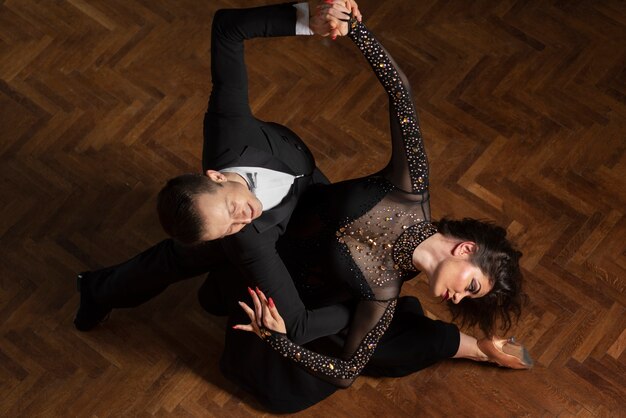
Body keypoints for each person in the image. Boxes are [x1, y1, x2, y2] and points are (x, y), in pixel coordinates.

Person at [231, 0, 533, 410]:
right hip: (280, 206)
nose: (460, 299)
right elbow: (400, 93)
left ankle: (475, 348)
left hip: (283, 282)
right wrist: (355, 27)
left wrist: (277, 340)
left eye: (469, 299)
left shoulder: (382, 293)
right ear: (465, 249)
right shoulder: (410, 189)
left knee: (287, 384)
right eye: (472, 287)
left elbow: (345, 372)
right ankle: (472, 347)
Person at [73, 1, 364, 352]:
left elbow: (227, 28)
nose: (245, 216)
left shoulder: (230, 129)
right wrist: (368, 309)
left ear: (216, 176)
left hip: (309, 189)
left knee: (181, 257)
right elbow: (298, 326)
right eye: (229, 226)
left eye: (230, 210)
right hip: (274, 233)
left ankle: (97, 288)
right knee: (200, 253)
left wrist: (310, 19)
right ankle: (99, 290)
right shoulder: (246, 241)